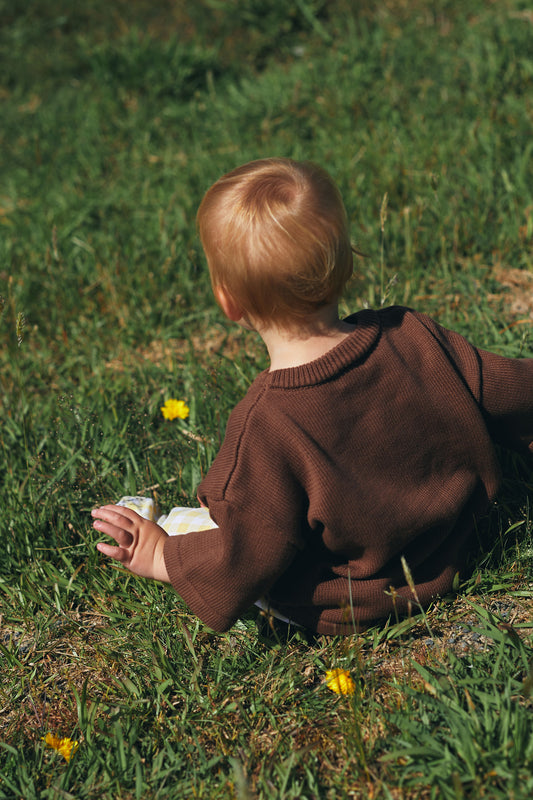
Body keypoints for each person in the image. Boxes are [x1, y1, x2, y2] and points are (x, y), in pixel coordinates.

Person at [92, 157, 533, 636]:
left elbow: (252, 549)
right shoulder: (413, 336)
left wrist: (159, 554)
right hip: (455, 547)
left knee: (203, 524)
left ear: (228, 301)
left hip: (349, 602)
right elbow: (509, 388)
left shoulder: (267, 424)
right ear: (345, 261)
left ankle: (169, 531)